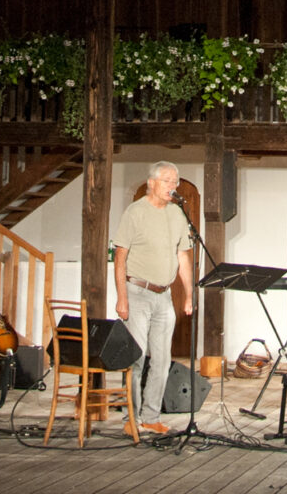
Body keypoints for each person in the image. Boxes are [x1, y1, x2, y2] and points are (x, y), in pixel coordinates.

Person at [112, 160, 195, 434]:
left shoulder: (177, 214)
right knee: (135, 358)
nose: (172, 186)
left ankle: (150, 416)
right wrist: (122, 298)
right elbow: (120, 258)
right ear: (151, 183)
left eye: (175, 181)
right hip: (137, 293)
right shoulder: (135, 212)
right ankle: (131, 419)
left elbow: (183, 257)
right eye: (167, 181)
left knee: (161, 359)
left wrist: (189, 295)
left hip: (164, 295)